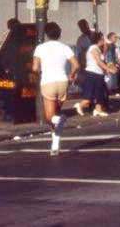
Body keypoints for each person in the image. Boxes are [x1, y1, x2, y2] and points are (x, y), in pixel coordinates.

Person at [32, 21, 79, 155]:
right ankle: (55, 145)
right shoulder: (65, 47)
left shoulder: (40, 48)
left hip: (48, 82)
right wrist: (72, 75)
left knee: (49, 117)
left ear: (46, 34)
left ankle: (59, 120)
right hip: (63, 81)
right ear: (59, 34)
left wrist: (39, 73)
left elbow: (35, 68)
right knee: (55, 115)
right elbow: (76, 65)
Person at [75, 31, 114, 117]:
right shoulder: (93, 49)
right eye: (102, 38)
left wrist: (105, 50)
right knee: (89, 97)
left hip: (98, 74)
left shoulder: (98, 48)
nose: (104, 39)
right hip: (92, 74)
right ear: (98, 39)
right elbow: (99, 62)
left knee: (99, 94)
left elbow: (102, 60)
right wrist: (108, 69)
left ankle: (98, 110)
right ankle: (80, 105)